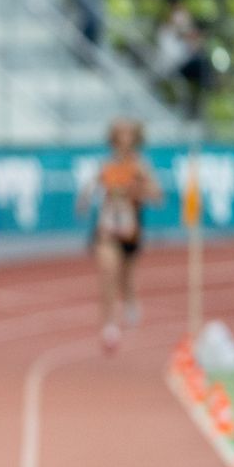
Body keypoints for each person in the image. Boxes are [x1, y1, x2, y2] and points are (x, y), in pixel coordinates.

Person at [78, 119, 161, 353]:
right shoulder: (106, 166)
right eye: (119, 135)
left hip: (130, 230)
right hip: (107, 230)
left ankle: (130, 301)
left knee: (126, 277)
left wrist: (137, 190)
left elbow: (157, 196)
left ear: (135, 139)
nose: (123, 139)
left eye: (128, 134)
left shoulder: (140, 166)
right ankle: (109, 325)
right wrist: (84, 199)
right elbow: (89, 188)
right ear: (113, 139)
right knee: (108, 271)